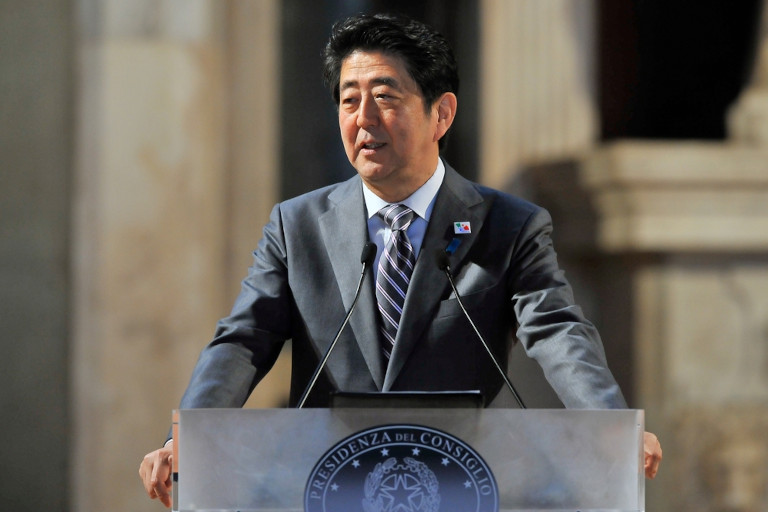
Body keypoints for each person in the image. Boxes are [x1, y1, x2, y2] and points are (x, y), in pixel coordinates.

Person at [140, 12, 662, 507]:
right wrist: (188, 438)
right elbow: (243, 341)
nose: (364, 119)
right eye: (349, 101)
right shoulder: (296, 227)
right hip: (329, 483)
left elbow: (558, 334)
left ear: (442, 113)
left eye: (385, 97)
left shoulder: (508, 226)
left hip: (463, 484)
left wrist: (611, 428)